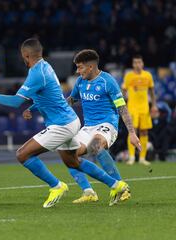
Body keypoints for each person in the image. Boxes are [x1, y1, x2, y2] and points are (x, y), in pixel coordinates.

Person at [0, 38, 129, 208]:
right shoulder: (45, 66)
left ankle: (56, 186)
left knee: (22, 154)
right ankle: (116, 185)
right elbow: (52, 97)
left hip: (62, 124)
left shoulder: (36, 73)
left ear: (25, 55)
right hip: (71, 121)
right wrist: (32, 108)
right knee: (72, 161)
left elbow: (15, 102)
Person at [52, 49, 141, 203]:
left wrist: (132, 133)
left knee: (95, 146)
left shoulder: (108, 81)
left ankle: (121, 187)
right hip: (88, 127)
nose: (78, 71)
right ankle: (88, 192)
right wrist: (55, 109)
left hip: (107, 125)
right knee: (68, 153)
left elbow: (122, 108)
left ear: (91, 67)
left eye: (80, 67)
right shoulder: (80, 82)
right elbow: (71, 101)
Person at [122, 55, 158, 165]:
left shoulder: (148, 76)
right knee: (133, 131)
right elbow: (123, 91)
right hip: (132, 108)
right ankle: (132, 157)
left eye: (139, 62)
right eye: (135, 62)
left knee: (144, 131)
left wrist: (154, 105)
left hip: (145, 108)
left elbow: (152, 92)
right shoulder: (128, 76)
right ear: (133, 64)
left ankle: (142, 158)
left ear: (142, 64)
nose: (137, 64)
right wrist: (122, 106)